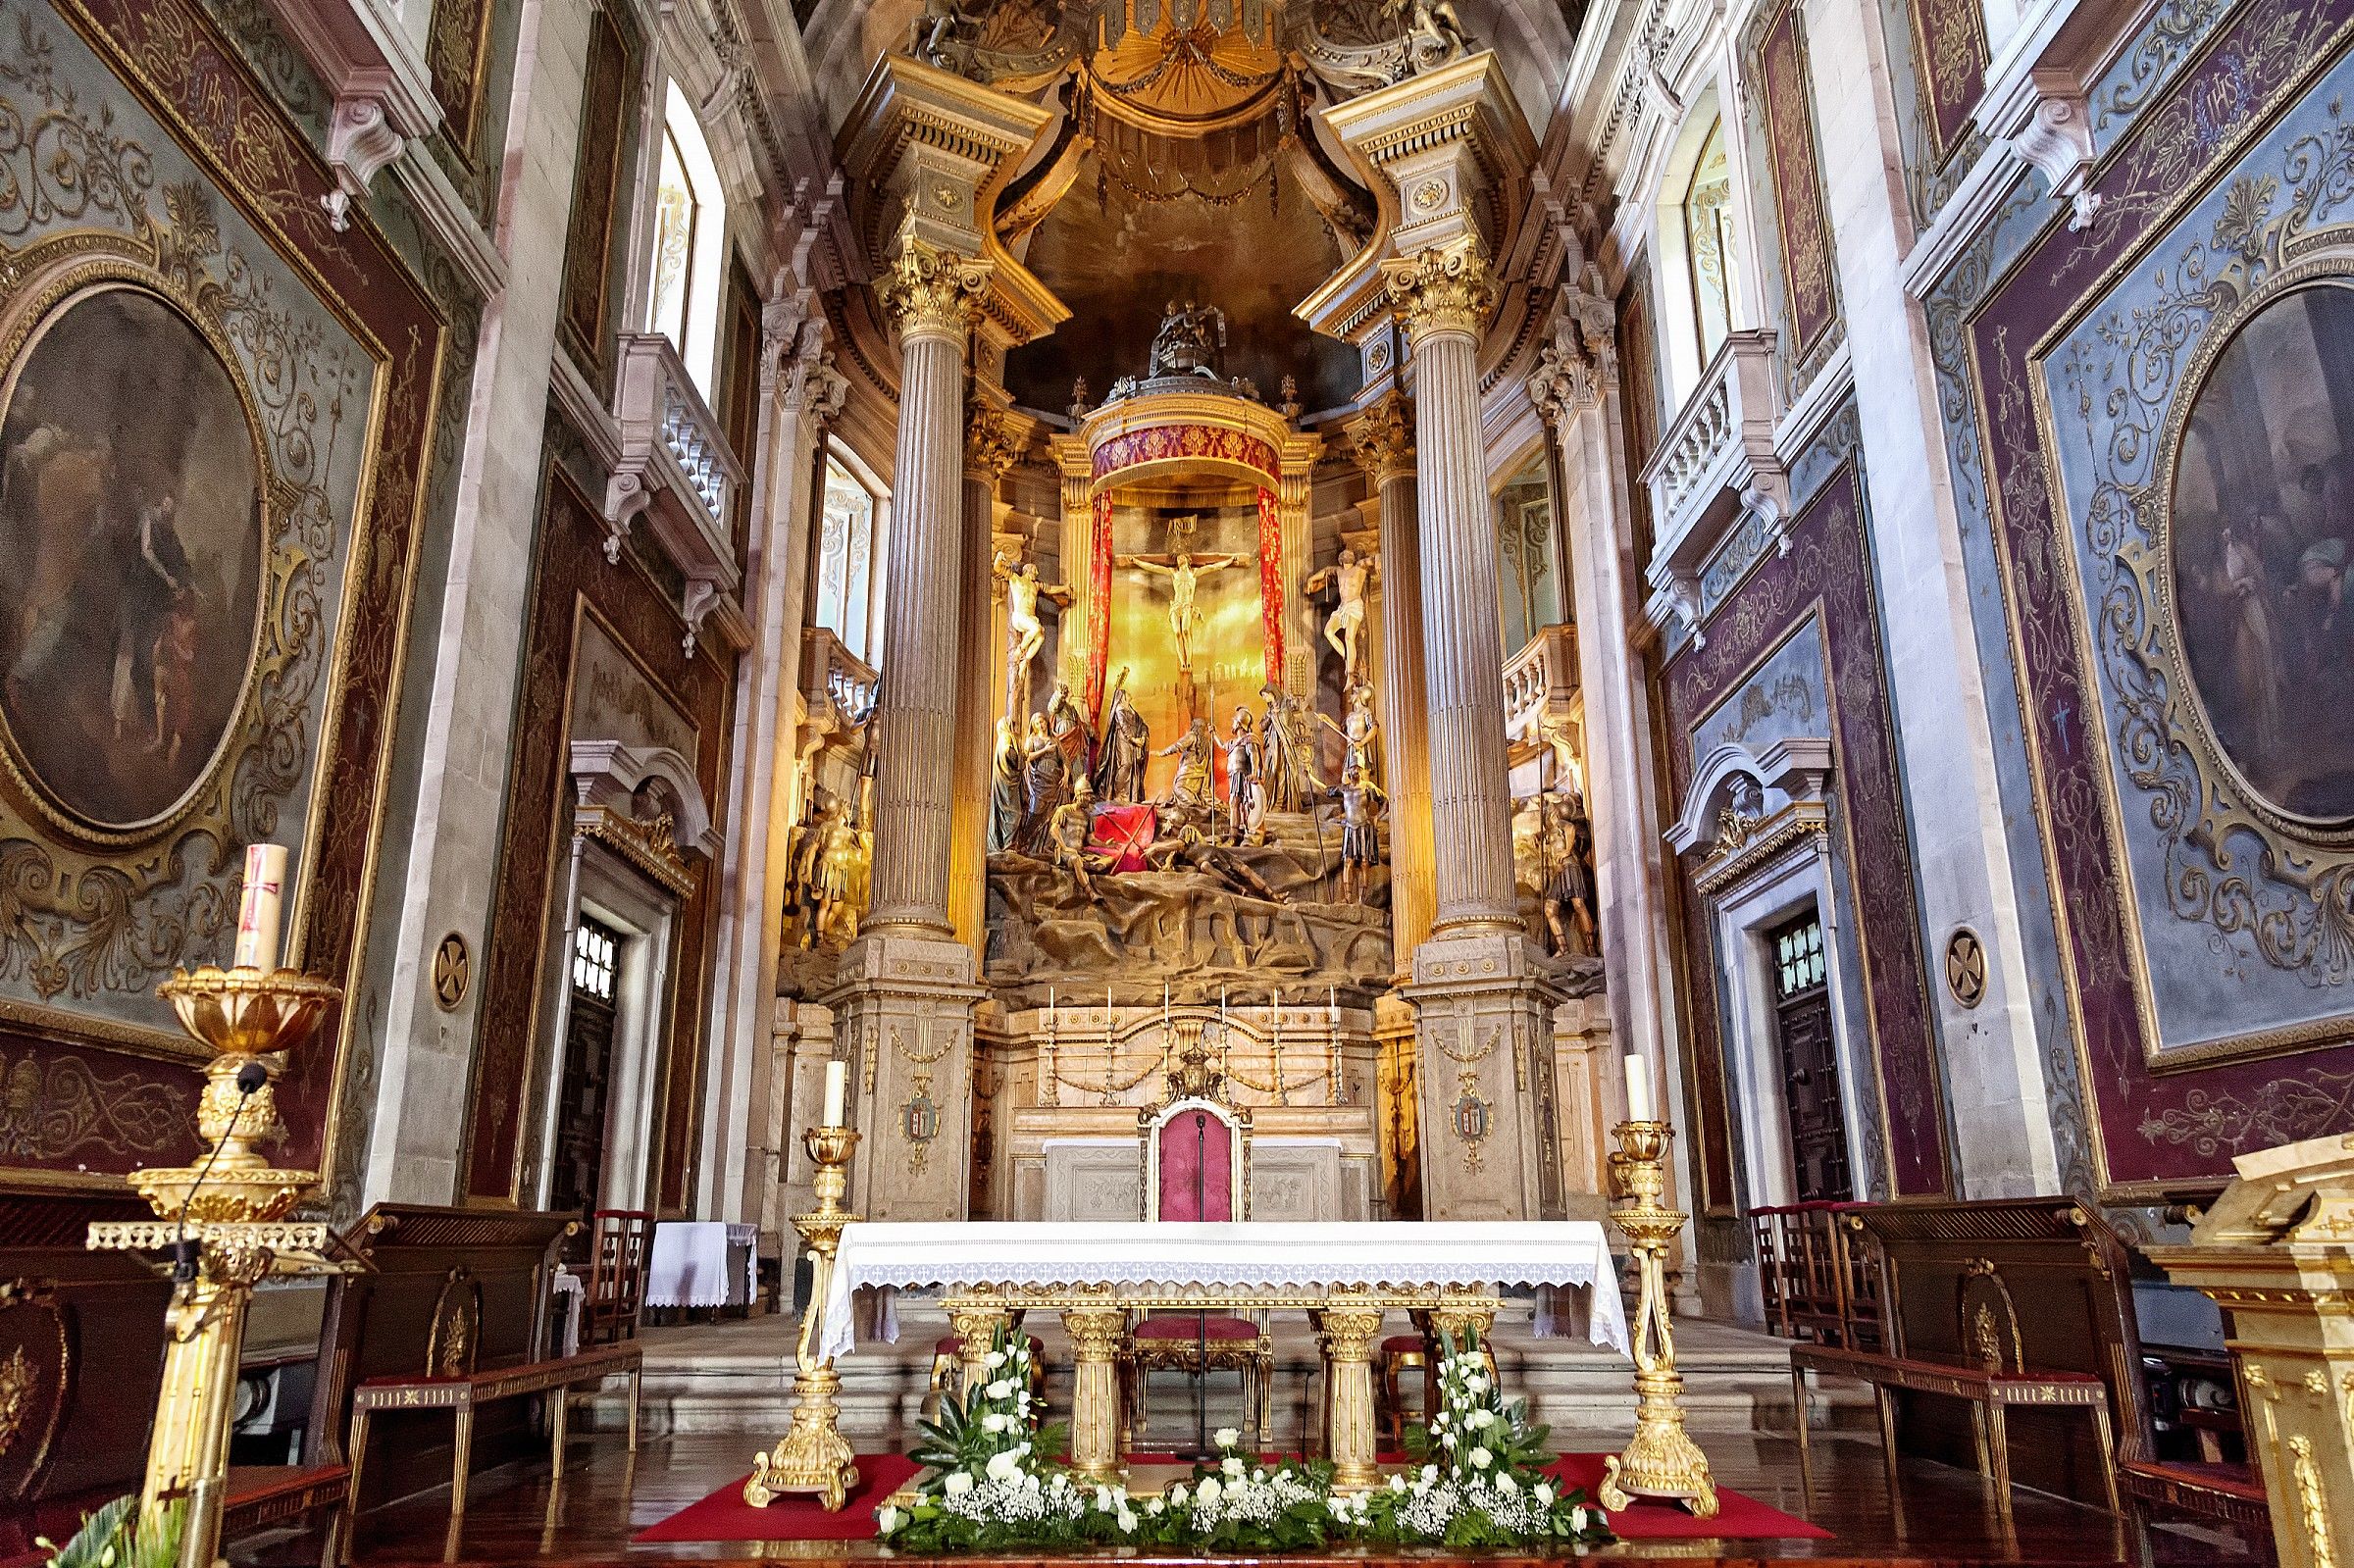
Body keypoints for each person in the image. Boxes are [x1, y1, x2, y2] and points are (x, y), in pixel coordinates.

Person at [1305, 548, 1378, 683]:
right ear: (1340, 559)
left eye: (1349, 554)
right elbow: (1326, 570)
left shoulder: (1359, 567)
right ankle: (1347, 657)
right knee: (1328, 632)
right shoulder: (1339, 571)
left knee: (1349, 638)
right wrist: (1311, 579)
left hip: (1354, 605)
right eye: (1344, 555)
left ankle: (1350, 674)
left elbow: (1373, 559)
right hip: (1342, 607)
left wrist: (1379, 561)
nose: (1346, 555)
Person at [1095, 668, 1151, 802]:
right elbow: (1124, 727)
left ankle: (1130, 796)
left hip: (1134, 742)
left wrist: (1142, 737)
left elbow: (1142, 724)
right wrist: (1133, 739)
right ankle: (1119, 794)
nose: (1129, 694)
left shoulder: (1131, 710)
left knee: (1133, 766)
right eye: (1126, 693)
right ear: (1122, 696)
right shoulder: (1120, 709)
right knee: (1125, 764)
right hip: (1123, 741)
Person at [1333, 763, 1387, 904]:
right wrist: (1310, 776)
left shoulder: (1368, 787)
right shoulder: (1345, 788)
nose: (1355, 771)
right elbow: (1327, 790)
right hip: (1350, 828)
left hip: (1364, 827)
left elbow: (1385, 800)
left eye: (1358, 768)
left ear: (1361, 771)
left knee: (1364, 863)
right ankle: (1348, 897)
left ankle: (1362, 899)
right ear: (1349, 771)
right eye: (1352, 768)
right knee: (1348, 862)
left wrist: (1376, 817)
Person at [1220, 704, 1266, 844]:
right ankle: (1235, 833)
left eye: (1234, 721)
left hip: (1243, 776)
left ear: (1239, 724)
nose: (1232, 724)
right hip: (1234, 775)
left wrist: (1253, 773)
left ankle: (1236, 835)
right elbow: (1223, 746)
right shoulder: (1234, 742)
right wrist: (1214, 733)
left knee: (1239, 803)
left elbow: (1254, 757)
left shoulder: (1249, 739)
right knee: (1234, 803)